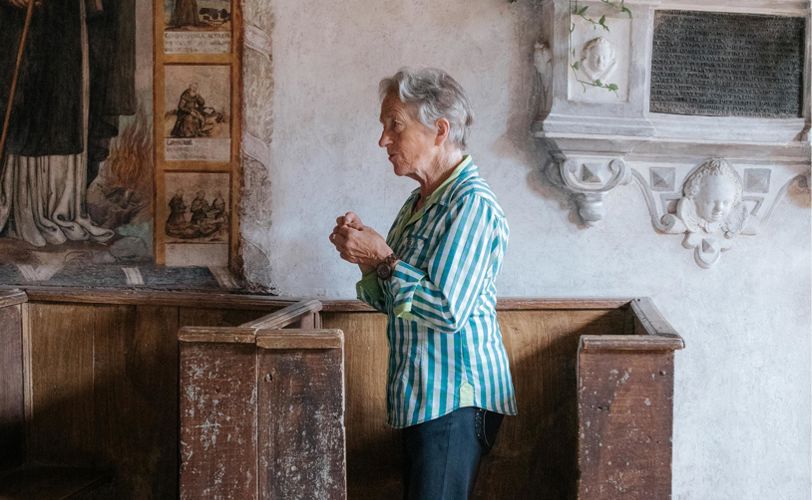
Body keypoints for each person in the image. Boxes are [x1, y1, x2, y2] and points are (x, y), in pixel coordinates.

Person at [329, 68, 516, 499]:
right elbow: (396, 299)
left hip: (457, 397)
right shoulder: (420, 201)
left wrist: (382, 256)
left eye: (394, 125)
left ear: (439, 130)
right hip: (423, 397)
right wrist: (365, 258)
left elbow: (447, 310)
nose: (383, 140)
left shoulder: (472, 204)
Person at [0, 0, 134, 246]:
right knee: (25, 99)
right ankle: (23, 206)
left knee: (63, 97)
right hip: (16, 18)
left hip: (67, 15)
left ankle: (59, 206)